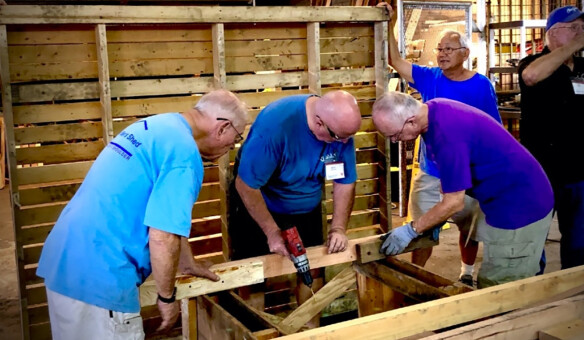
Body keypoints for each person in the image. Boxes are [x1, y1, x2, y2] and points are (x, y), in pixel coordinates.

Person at [36, 89, 248, 340]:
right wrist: (166, 297)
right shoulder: (184, 154)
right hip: (101, 279)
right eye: (234, 140)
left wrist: (186, 263)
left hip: (65, 262)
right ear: (222, 128)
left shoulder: (157, 126)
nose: (229, 148)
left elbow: (166, 218)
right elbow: (163, 235)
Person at [373, 92, 554, 288]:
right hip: (508, 196)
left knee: (500, 285)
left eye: (394, 135)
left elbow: (454, 202)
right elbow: (450, 180)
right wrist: (433, 220)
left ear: (410, 121)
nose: (393, 141)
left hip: (522, 205)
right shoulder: (434, 111)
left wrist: (411, 230)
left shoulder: (447, 135)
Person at [377, 2, 501, 286]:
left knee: (469, 227)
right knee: (421, 229)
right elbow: (394, 60)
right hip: (432, 171)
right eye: (440, 49)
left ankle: (466, 273)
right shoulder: (429, 77)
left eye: (449, 49)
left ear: (465, 54)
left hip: (470, 173)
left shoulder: (481, 86)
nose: (442, 54)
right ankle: (414, 278)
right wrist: (391, 23)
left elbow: (494, 129)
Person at [228, 90, 361, 326]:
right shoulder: (275, 128)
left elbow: (344, 181)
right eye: (338, 137)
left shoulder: (339, 131)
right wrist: (271, 231)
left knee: (313, 267)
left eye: (346, 138)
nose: (343, 144)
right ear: (319, 122)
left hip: (305, 204)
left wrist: (339, 228)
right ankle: (256, 331)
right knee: (254, 274)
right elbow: (246, 185)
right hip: (261, 204)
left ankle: (310, 329)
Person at [519, 6, 584, 271]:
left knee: (579, 241)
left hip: (581, 170)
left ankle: (571, 292)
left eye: (582, 28)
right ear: (553, 33)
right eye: (574, 28)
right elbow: (531, 77)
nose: (581, 33)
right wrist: (576, 44)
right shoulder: (532, 64)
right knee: (534, 237)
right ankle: (534, 291)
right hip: (543, 170)